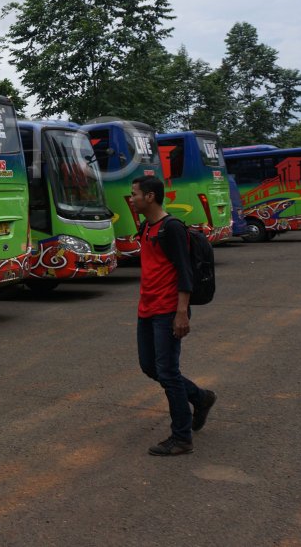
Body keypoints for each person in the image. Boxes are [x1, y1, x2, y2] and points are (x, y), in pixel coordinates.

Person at [129, 175, 217, 456]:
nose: (132, 199)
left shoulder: (172, 228)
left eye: (135, 194)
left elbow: (185, 272)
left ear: (150, 197)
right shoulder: (146, 227)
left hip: (168, 310)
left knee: (167, 372)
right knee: (150, 367)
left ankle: (181, 437)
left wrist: (182, 312)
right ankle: (200, 398)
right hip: (147, 308)